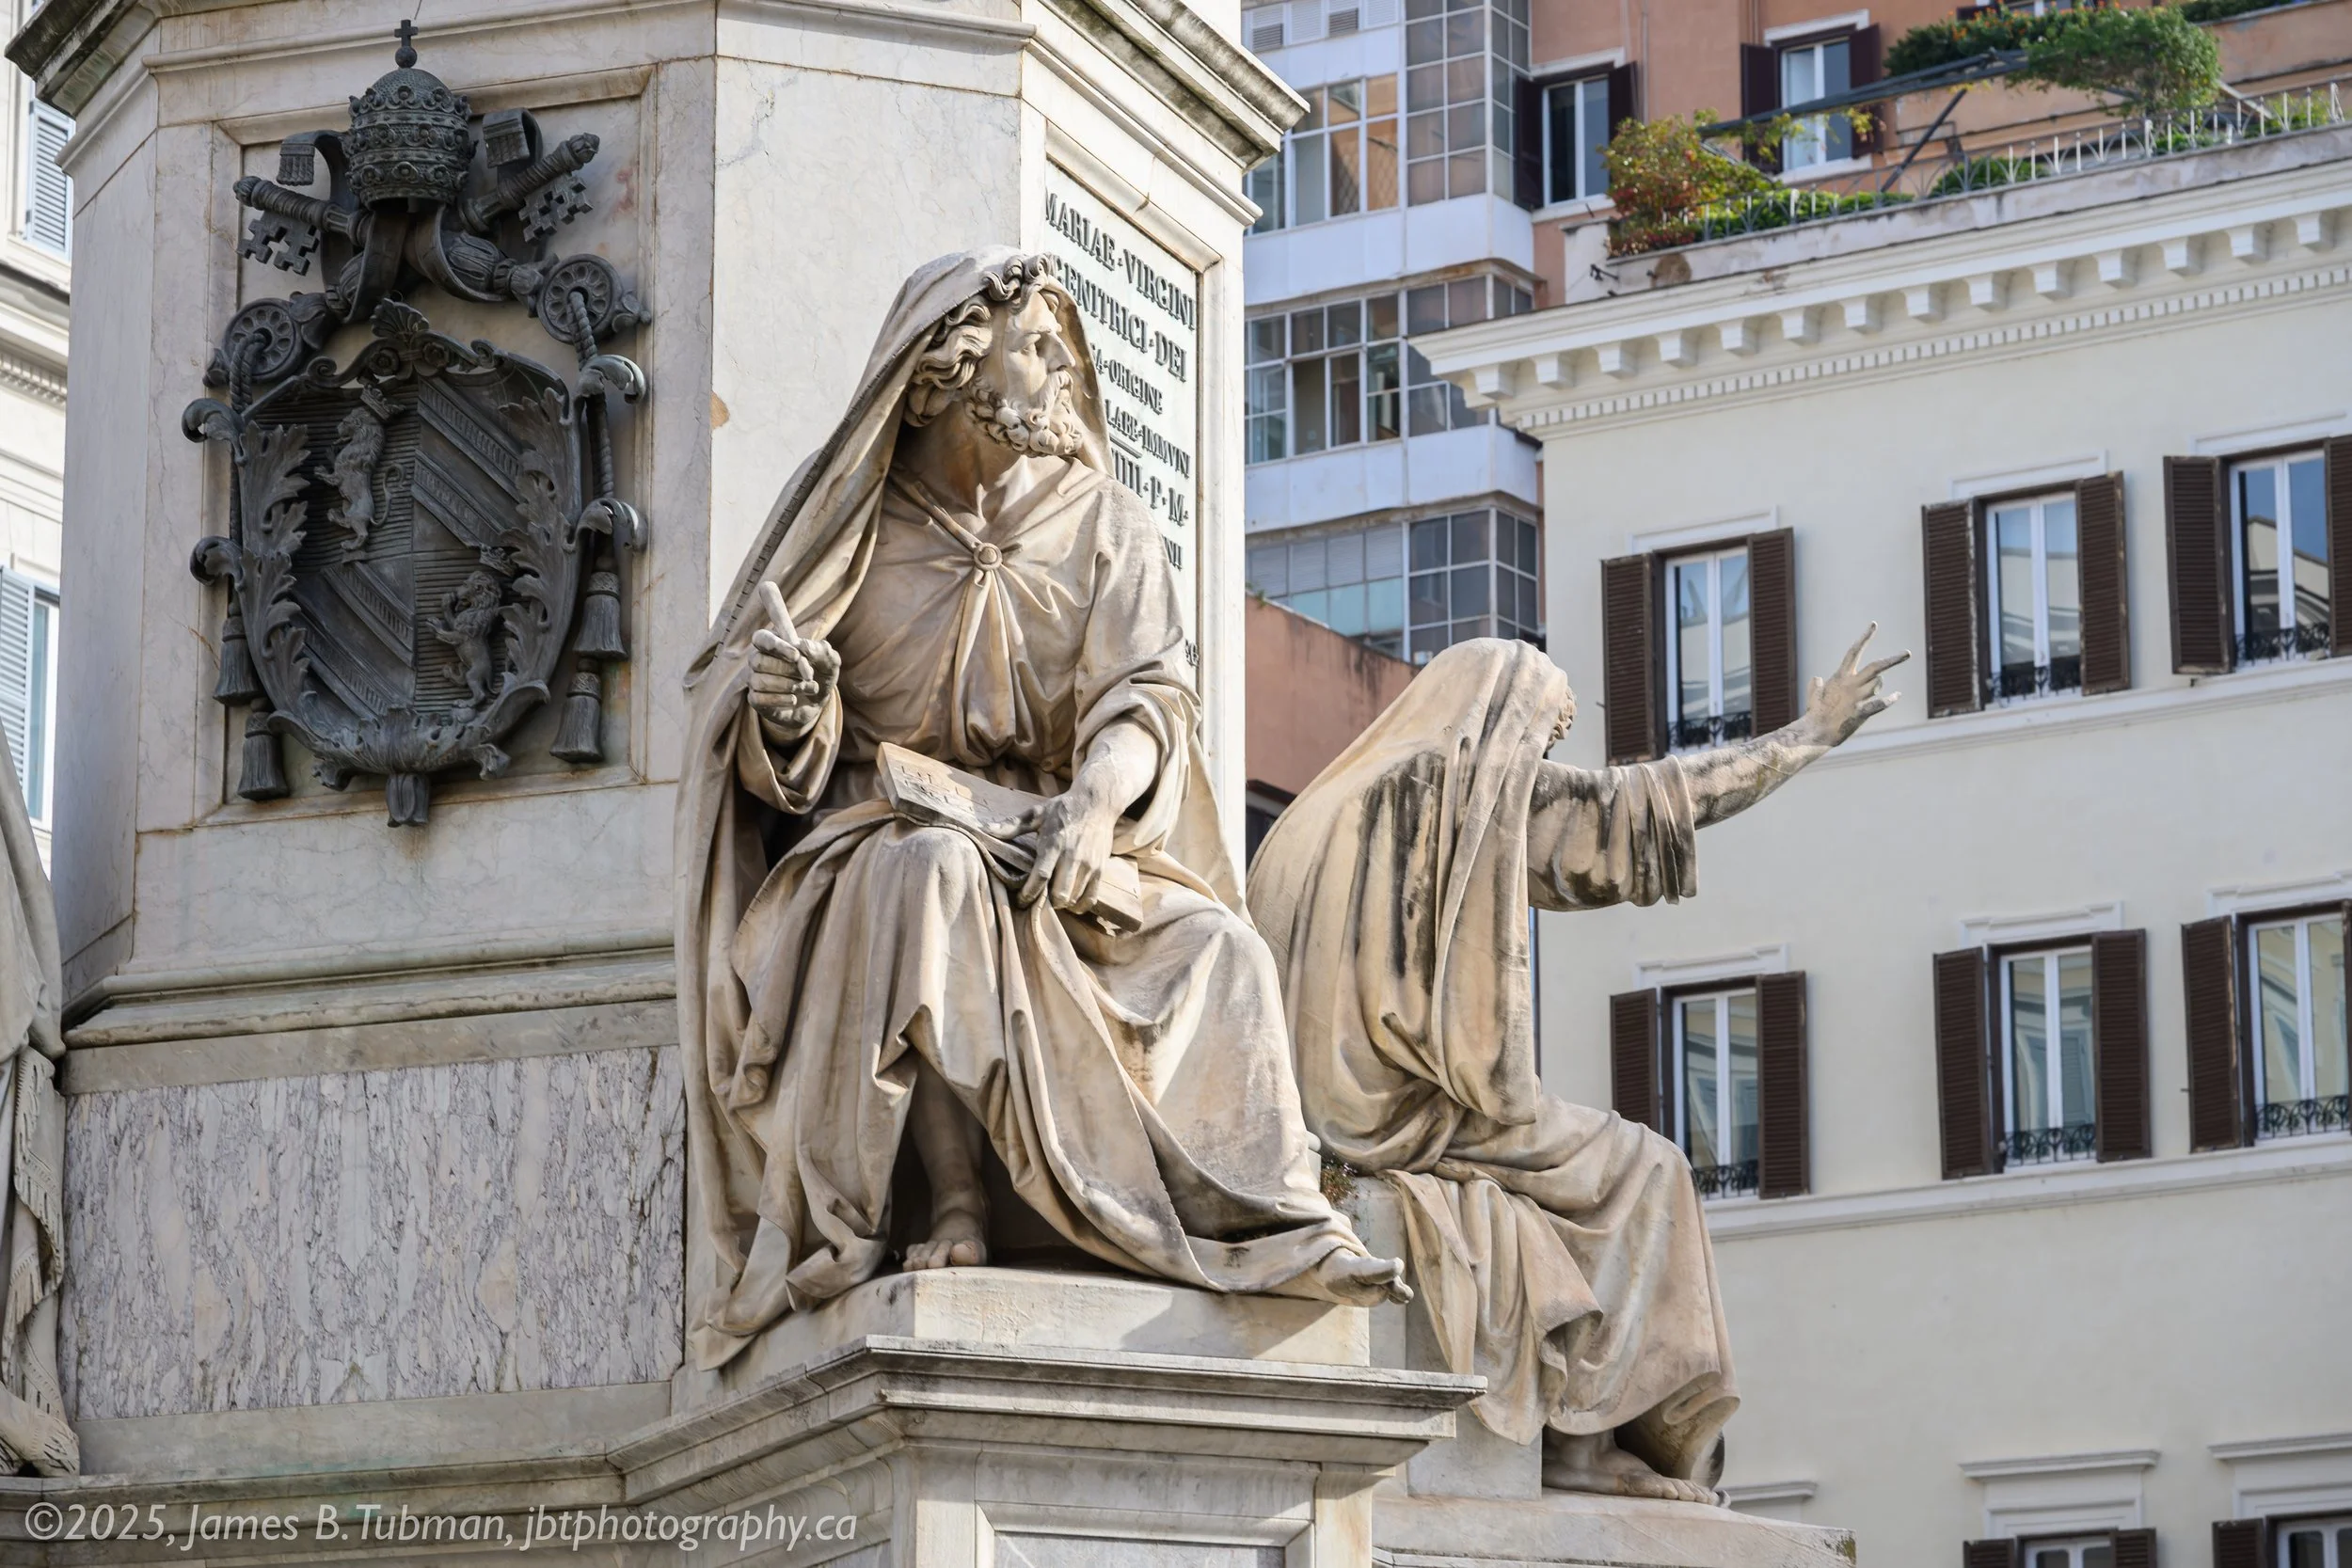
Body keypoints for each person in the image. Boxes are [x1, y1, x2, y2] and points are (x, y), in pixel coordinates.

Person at [675, 249, 1406, 1370]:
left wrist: (1093, 807)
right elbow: (775, 757)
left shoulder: (1105, 520)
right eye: (1036, 346)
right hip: (882, 839)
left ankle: (1270, 1224)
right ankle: (955, 1198)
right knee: (931, 877)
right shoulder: (851, 528)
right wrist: (790, 712)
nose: (1065, 367)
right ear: (951, 369)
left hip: (1058, 835)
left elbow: (1145, 699)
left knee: (1221, 948)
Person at [1247, 631, 1902, 1504]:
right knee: (1649, 1172)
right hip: (1403, 1112)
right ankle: (1590, 1441)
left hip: (1315, 1106)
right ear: (1501, 718)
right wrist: (1807, 735)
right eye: (1544, 736)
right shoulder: (1458, 787)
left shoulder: (1318, 810)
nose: (1541, 761)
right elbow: (1649, 804)